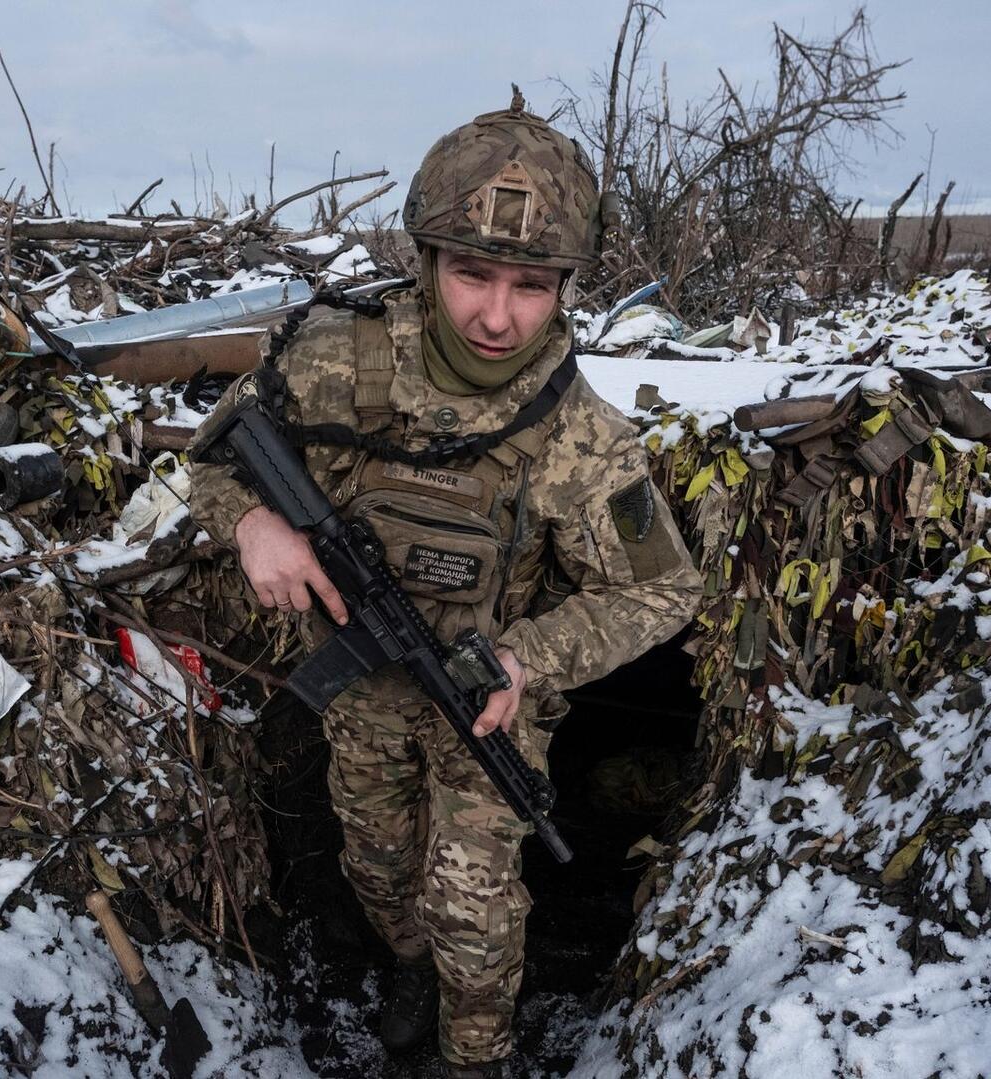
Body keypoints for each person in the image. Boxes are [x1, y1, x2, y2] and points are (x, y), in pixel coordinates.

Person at [190, 92, 702, 1077]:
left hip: (488, 705)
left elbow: (660, 590)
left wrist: (528, 655)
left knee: (474, 910)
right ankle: (407, 972)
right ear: (425, 260)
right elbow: (217, 455)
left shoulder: (580, 436)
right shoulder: (334, 355)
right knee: (380, 873)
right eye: (472, 274)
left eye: (532, 285)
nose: (498, 316)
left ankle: (475, 1056)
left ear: (566, 287)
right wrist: (251, 522)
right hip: (363, 696)